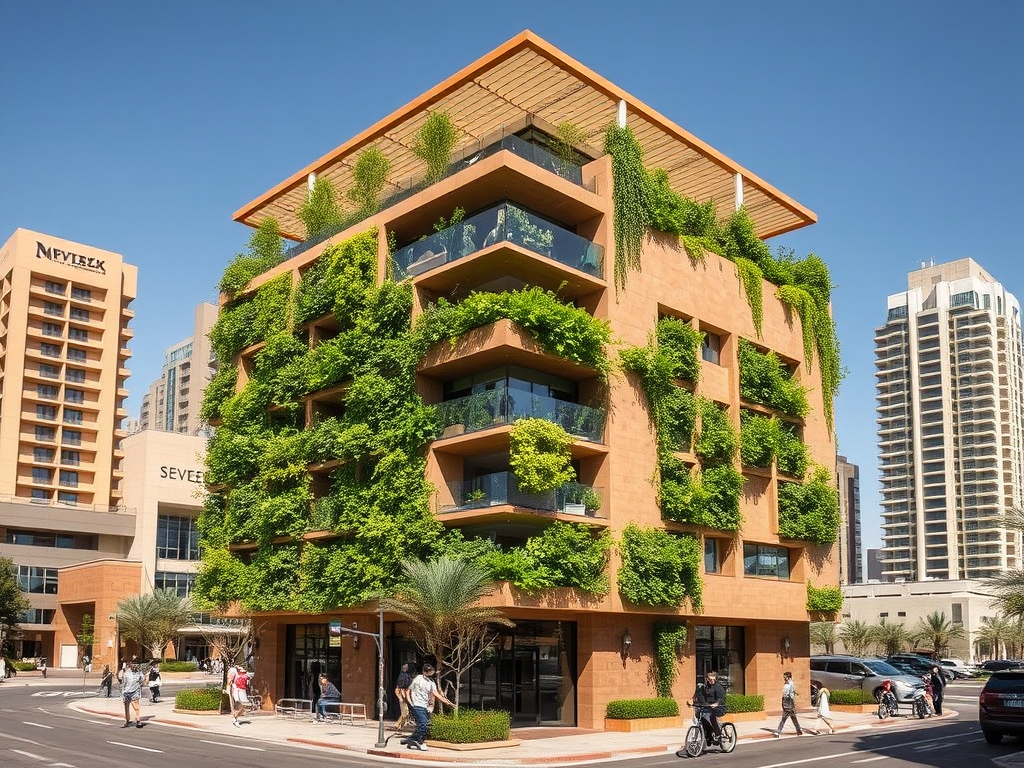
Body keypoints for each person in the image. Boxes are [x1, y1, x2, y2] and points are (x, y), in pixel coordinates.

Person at [406, 663, 453, 752]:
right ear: (424, 671)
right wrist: (410, 701)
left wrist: (445, 701)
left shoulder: (431, 682)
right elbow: (408, 690)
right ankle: (419, 741)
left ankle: (411, 739)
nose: (431, 674)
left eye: (432, 672)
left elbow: (435, 693)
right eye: (430, 672)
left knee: (424, 725)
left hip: (425, 706)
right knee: (423, 724)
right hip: (417, 705)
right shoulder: (417, 679)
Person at [689, 670, 727, 743]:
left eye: (713, 679)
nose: (711, 681)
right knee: (702, 718)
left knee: (711, 717)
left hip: (719, 707)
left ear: (716, 678)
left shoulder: (718, 687)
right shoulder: (704, 687)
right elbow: (700, 696)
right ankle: (708, 736)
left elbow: (721, 698)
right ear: (707, 679)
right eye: (710, 679)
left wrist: (716, 703)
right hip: (708, 707)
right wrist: (694, 702)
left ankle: (718, 734)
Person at [773, 671, 803, 737]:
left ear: (788, 677)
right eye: (784, 677)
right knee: (793, 718)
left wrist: (792, 703)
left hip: (789, 702)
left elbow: (792, 694)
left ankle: (778, 731)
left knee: (785, 718)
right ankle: (799, 730)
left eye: (785, 677)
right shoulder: (786, 684)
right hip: (786, 701)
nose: (784, 678)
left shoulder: (790, 684)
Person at [118, 661, 144, 728]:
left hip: (135, 691)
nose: (134, 666)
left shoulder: (139, 673)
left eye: (136, 664)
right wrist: (122, 692)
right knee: (126, 707)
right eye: (133, 664)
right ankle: (127, 720)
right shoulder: (127, 673)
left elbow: (142, 680)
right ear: (130, 665)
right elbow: (123, 683)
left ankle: (138, 720)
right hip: (127, 692)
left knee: (136, 707)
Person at [393, 663, 414, 732]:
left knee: (405, 712)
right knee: (405, 712)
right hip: (402, 697)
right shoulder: (403, 676)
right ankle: (397, 725)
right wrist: (400, 698)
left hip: (404, 697)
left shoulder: (407, 676)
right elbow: (398, 689)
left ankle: (399, 726)